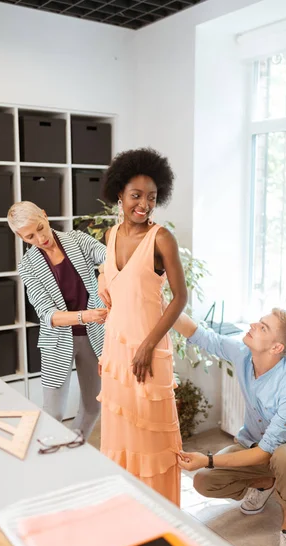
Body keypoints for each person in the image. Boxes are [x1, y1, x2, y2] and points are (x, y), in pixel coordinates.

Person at [172, 309, 286, 546]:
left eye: (263, 327)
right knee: (203, 481)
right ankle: (264, 483)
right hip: (252, 445)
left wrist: (208, 458)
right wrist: (164, 305)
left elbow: (267, 453)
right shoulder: (244, 353)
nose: (253, 324)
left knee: (283, 457)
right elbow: (202, 336)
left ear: (276, 347)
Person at [98, 148, 188, 505]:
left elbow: (180, 297)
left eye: (151, 198)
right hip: (116, 351)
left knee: (151, 439)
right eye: (136, 196)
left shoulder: (161, 238)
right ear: (119, 194)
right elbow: (116, 289)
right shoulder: (110, 235)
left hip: (148, 350)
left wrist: (148, 345)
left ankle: (161, 516)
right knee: (120, 434)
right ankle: (126, 511)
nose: (144, 205)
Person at [7, 201, 108, 439]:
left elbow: (109, 256)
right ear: (20, 236)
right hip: (58, 341)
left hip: (93, 336)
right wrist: (86, 316)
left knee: (94, 405)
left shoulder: (77, 240)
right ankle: (49, 456)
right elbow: (47, 314)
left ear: (45, 214)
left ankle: (75, 445)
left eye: (40, 228)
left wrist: (105, 270)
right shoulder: (28, 266)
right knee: (53, 412)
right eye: (29, 236)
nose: (40, 238)